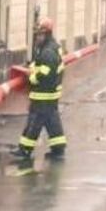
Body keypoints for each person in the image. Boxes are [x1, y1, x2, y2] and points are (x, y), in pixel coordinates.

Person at [11, 19, 66, 160]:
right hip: (50, 94)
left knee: (34, 122)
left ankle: (25, 149)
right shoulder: (50, 47)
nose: (37, 38)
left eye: (39, 35)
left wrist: (31, 77)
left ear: (46, 34)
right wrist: (30, 67)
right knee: (52, 122)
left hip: (43, 94)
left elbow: (46, 74)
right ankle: (58, 149)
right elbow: (38, 64)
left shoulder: (48, 51)